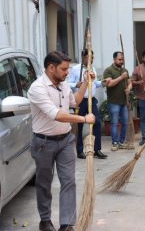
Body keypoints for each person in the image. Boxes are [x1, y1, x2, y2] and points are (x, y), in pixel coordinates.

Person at [28, 51, 95, 231]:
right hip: (43, 143)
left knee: (69, 181)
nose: (67, 73)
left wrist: (86, 84)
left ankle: (66, 224)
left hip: (65, 140)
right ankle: (45, 220)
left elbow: (75, 102)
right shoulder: (37, 88)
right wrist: (84, 119)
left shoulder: (64, 85)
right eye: (64, 69)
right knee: (44, 183)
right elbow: (56, 115)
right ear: (51, 68)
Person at [67, 49, 107, 159]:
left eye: (92, 57)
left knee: (97, 122)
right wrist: (76, 84)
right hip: (80, 101)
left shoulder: (92, 68)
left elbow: (95, 83)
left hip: (92, 99)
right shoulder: (76, 69)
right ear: (83, 57)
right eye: (89, 57)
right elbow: (67, 83)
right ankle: (79, 150)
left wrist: (102, 83)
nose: (91, 59)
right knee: (79, 125)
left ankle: (97, 149)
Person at [103, 51, 132, 151]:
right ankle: (114, 143)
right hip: (113, 102)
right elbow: (109, 84)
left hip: (124, 102)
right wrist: (121, 77)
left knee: (124, 123)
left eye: (122, 59)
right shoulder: (108, 70)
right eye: (119, 59)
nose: (121, 61)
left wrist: (129, 89)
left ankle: (121, 142)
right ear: (114, 59)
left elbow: (129, 82)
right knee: (114, 123)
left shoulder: (125, 70)